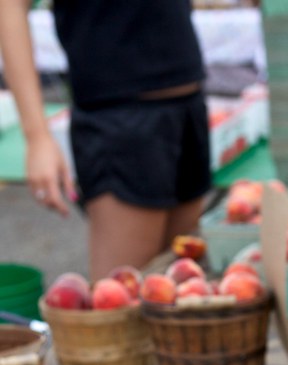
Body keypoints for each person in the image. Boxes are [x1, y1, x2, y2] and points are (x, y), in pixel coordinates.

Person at [0, 1, 212, 282]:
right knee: (121, 304)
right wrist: (37, 136)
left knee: (185, 290)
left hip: (187, 97)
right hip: (121, 115)